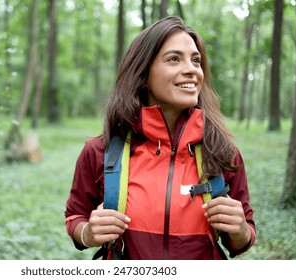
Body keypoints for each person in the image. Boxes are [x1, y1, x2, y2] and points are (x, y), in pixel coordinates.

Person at [64, 16, 256, 260]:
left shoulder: (223, 152)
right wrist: (87, 233)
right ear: (143, 74)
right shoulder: (98, 151)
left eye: (196, 60)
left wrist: (240, 230)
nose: (191, 69)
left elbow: (244, 237)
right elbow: (75, 217)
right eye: (174, 59)